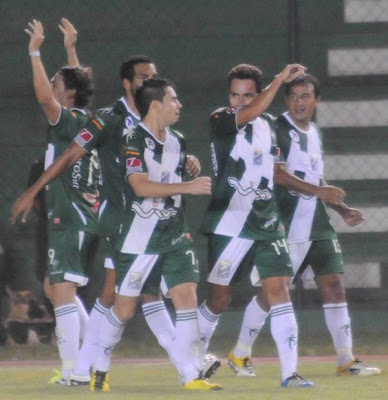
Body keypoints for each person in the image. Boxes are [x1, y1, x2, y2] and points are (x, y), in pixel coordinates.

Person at [11, 54, 206, 384]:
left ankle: (90, 369)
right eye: (143, 77)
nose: (149, 82)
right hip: (124, 223)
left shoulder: (160, 123)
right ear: (127, 84)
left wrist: (187, 161)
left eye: (153, 76)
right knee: (120, 298)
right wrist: (34, 190)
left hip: (159, 220)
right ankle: (94, 367)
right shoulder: (109, 119)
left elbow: (163, 155)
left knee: (135, 297)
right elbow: (71, 154)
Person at [229, 73, 382, 377]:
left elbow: (316, 179)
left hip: (317, 223)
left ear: (317, 100)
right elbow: (278, 174)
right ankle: (240, 353)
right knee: (272, 293)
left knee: (335, 285)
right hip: (285, 223)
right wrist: (320, 192)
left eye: (306, 96)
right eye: (294, 96)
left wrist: (341, 209)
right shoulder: (277, 128)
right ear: (286, 100)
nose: (299, 102)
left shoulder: (315, 132)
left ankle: (346, 360)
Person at [88, 78, 221, 391]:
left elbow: (169, 170)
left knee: (187, 296)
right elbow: (140, 185)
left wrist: (186, 166)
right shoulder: (132, 139)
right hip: (137, 239)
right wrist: (187, 186)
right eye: (173, 100)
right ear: (156, 105)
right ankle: (100, 367)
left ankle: (190, 376)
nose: (179, 105)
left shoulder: (178, 140)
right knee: (123, 310)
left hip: (173, 233)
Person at [198, 63, 315, 388]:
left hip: (265, 222)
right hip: (230, 222)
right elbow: (249, 112)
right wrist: (280, 80)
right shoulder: (220, 119)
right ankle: (191, 361)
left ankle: (290, 374)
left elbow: (275, 171)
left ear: (258, 94)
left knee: (279, 291)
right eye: (235, 94)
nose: (240, 101)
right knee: (219, 300)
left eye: (248, 95)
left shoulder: (269, 126)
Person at [20, 19, 99, 384]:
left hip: (69, 214)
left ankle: (75, 372)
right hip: (76, 214)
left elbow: (44, 97)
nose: (51, 87)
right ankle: (90, 360)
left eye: (57, 83)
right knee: (55, 288)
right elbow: (73, 85)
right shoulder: (84, 118)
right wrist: (70, 49)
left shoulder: (67, 121)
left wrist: (35, 51)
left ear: (66, 95)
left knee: (62, 292)